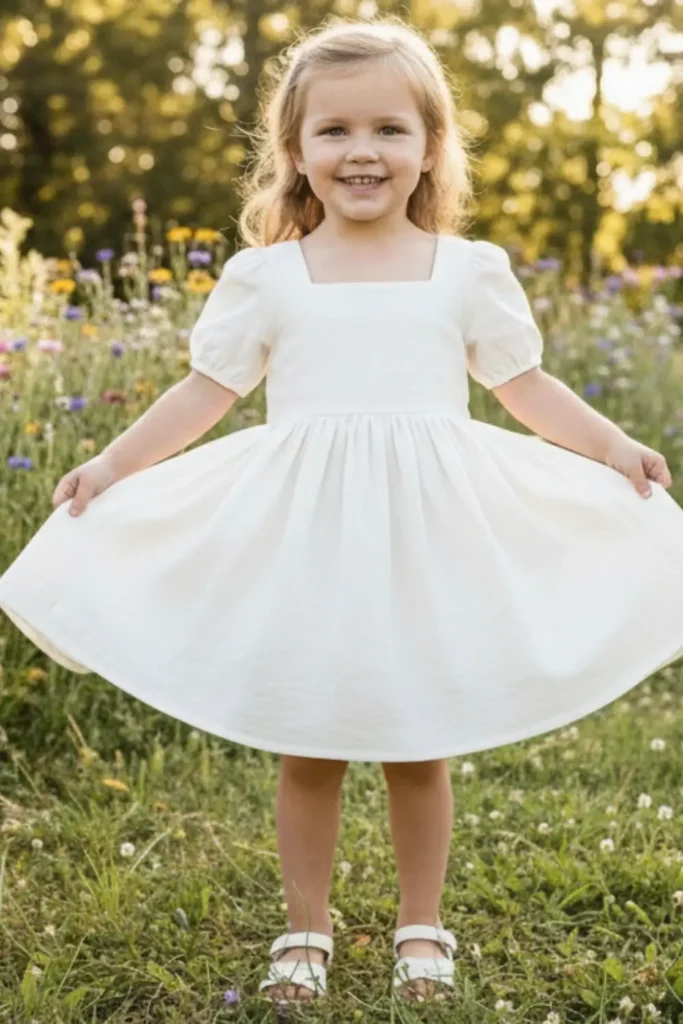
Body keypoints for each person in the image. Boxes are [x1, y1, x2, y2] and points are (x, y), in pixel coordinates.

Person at [1, 15, 682, 1009]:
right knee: (309, 738)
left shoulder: (466, 272)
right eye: (333, 132)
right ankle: (304, 927)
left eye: (386, 130)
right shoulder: (266, 278)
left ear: (428, 148)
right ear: (294, 153)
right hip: (311, 535)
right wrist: (110, 461)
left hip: (425, 534)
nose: (360, 150)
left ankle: (421, 925)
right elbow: (205, 393)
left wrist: (613, 446)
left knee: (418, 741)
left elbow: (523, 387)